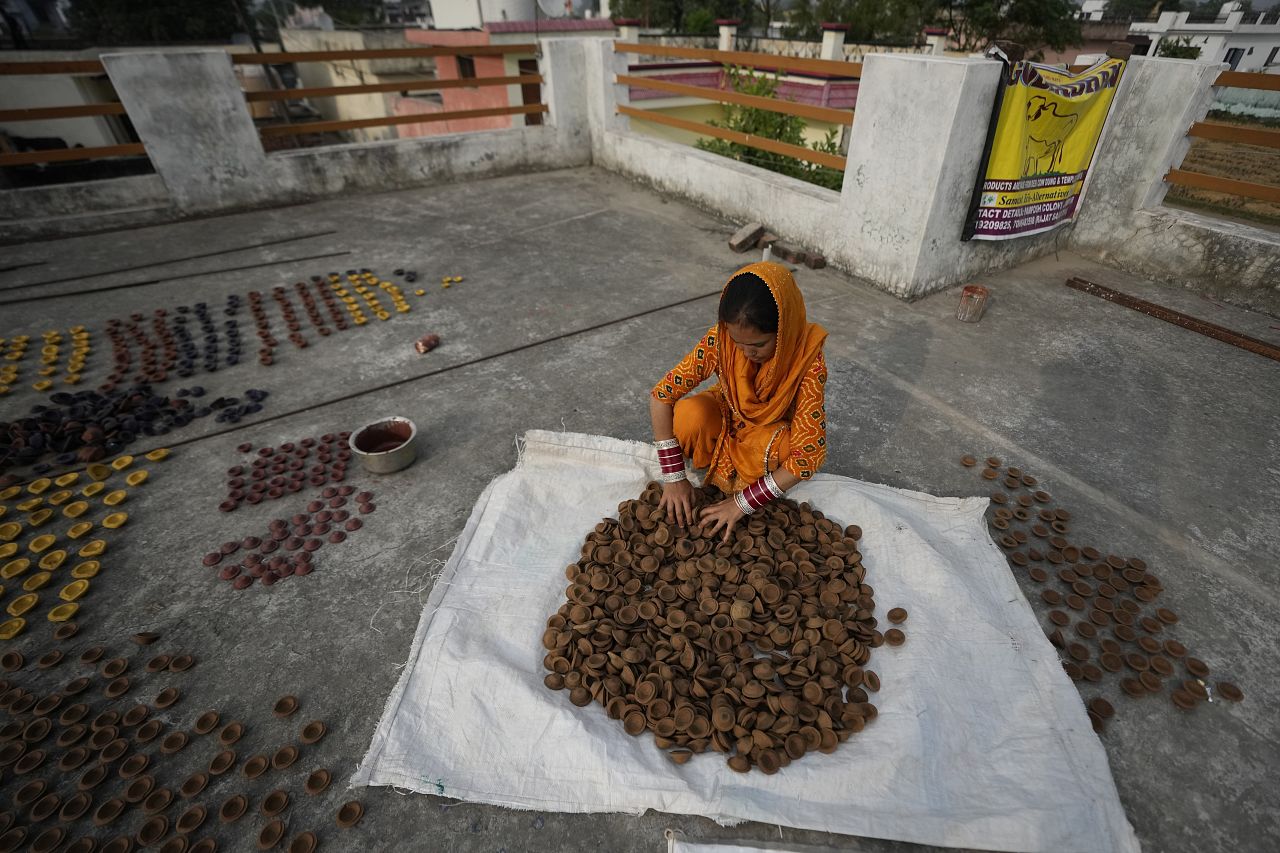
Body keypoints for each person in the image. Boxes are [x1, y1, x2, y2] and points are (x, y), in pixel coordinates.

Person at [649, 261, 828, 541]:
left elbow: (807, 457)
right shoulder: (720, 341)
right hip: (729, 414)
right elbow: (661, 396)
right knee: (689, 415)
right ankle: (719, 463)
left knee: (785, 449)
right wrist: (674, 478)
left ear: (784, 331)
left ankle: (743, 479)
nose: (746, 353)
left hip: (770, 433)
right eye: (738, 342)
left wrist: (740, 504)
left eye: (758, 345)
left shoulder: (808, 362)